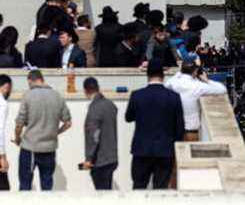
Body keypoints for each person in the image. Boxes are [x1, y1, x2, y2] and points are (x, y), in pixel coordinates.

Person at [125, 59, 184, 189]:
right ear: (163, 75)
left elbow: (128, 118)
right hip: (165, 150)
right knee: (161, 189)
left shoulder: (137, 95)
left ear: (148, 75)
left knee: (139, 187)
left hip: (141, 149)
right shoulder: (174, 97)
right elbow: (180, 129)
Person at [14, 70, 72, 191]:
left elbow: (19, 124)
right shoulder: (57, 96)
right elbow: (68, 123)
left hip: (30, 148)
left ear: (30, 80)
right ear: (42, 79)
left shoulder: (28, 96)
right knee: (47, 187)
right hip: (50, 148)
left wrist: (18, 138)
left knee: (25, 186)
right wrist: (56, 132)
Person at [165, 59, 227, 140]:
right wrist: (207, 81)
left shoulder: (174, 83)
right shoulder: (198, 86)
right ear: (195, 71)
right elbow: (222, 89)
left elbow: (166, 84)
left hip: (174, 131)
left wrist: (180, 72)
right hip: (191, 132)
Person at [81, 78, 118, 190]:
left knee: (101, 195)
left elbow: (94, 136)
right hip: (112, 158)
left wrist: (88, 159)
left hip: (100, 160)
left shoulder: (94, 108)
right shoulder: (110, 105)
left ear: (86, 91)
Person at [0, 75, 12, 191]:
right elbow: (0, 129)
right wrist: (2, 157)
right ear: (6, 87)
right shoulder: (2, 103)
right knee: (4, 190)